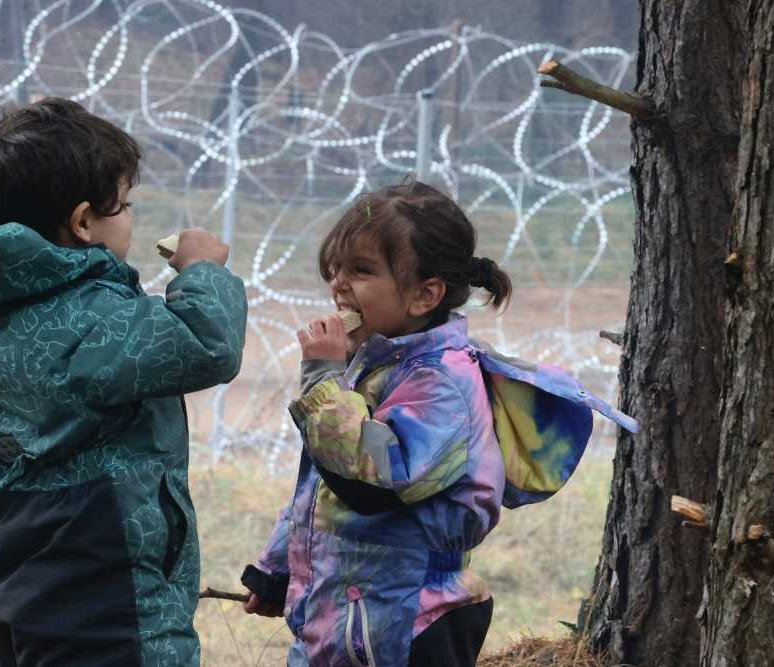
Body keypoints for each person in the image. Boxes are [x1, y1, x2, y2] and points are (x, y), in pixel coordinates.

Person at [0, 97, 247, 667]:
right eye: (125, 205)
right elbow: (208, 344)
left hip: (21, 568)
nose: (132, 217)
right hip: (107, 580)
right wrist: (202, 271)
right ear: (85, 221)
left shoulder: (0, 320)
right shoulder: (89, 319)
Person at [240, 180, 636, 667]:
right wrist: (277, 569)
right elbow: (320, 486)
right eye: (334, 269)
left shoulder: (441, 383)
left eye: (361, 270)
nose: (339, 284)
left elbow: (374, 483)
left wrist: (323, 381)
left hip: (412, 624)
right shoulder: (374, 367)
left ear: (425, 294)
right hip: (346, 615)